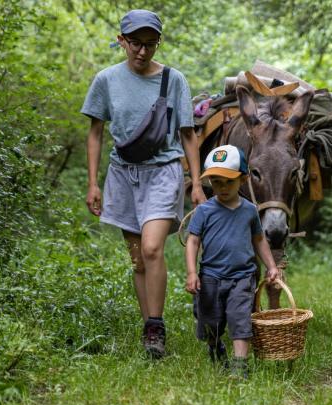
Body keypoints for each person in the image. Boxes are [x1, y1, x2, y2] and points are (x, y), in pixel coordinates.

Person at [81, 9, 206, 358]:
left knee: (152, 248)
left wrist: (196, 183)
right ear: (121, 41)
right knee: (138, 259)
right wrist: (93, 183)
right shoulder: (106, 80)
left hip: (164, 171)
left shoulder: (174, 80)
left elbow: (188, 134)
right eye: (135, 43)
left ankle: (156, 324)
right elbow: (94, 133)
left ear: (158, 44)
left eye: (150, 44)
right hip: (123, 174)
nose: (142, 51)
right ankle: (151, 330)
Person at [185, 145, 279, 379]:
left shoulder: (249, 211)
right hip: (211, 277)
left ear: (243, 179)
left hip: (242, 276)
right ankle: (215, 347)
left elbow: (259, 240)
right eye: (216, 182)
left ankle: (240, 365)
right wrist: (191, 272)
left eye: (229, 181)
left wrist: (272, 266)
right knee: (210, 321)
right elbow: (193, 242)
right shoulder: (204, 211)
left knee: (240, 319)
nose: (223, 188)